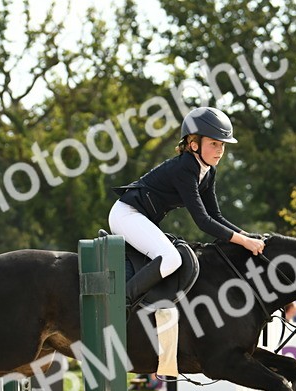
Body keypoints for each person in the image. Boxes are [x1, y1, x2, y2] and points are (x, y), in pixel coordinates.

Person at [109, 106, 264, 304]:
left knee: (175, 254)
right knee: (171, 258)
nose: (220, 150)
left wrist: (246, 235)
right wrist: (244, 242)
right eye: (214, 143)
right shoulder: (185, 167)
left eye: (223, 145)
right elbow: (203, 221)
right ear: (193, 144)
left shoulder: (208, 171)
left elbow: (215, 215)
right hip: (126, 215)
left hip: (141, 218)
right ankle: (121, 304)